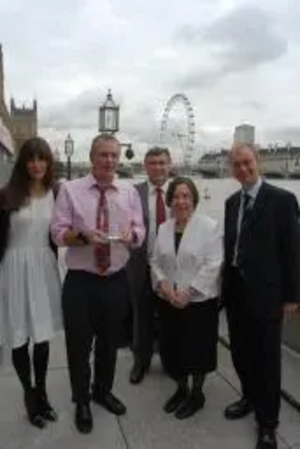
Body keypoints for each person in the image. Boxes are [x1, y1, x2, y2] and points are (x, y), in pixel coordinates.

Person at [51, 134, 145, 434]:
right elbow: (57, 232)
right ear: (92, 157)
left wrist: (134, 237)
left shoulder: (129, 192)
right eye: (103, 155)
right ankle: (81, 400)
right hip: (81, 281)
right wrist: (82, 237)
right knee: (78, 345)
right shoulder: (70, 190)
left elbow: (140, 229)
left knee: (109, 343)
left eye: (114, 156)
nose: (109, 161)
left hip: (116, 279)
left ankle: (102, 391)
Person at [222, 143, 300, 449]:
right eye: (236, 164)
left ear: (259, 162)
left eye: (247, 162)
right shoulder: (231, 203)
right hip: (236, 292)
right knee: (240, 352)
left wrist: (293, 297)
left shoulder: (282, 201)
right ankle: (249, 398)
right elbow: (231, 248)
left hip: (267, 295)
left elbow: (293, 253)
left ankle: (268, 423)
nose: (242, 169)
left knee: (267, 360)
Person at [0, 137, 62, 428]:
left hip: (44, 268)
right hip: (13, 269)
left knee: (42, 335)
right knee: (19, 336)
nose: (37, 164)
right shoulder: (6, 196)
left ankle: (43, 393)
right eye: (31, 159)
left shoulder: (56, 194)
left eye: (42, 159)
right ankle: (29, 395)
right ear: (23, 163)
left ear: (48, 163)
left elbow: (63, 232)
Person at [151, 177, 222, 419]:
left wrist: (188, 292)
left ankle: (197, 395)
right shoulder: (164, 228)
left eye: (186, 196)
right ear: (170, 200)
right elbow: (155, 261)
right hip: (169, 300)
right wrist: (163, 285)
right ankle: (181, 389)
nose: (181, 201)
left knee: (197, 351)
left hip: (198, 303)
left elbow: (213, 264)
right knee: (174, 349)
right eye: (176, 196)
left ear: (194, 199)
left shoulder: (209, 226)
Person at [128, 147, 172, 384]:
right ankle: (141, 361)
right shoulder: (133, 193)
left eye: (162, 162)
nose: (158, 167)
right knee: (141, 316)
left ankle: (170, 359)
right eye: (153, 163)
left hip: (171, 268)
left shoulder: (180, 192)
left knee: (171, 317)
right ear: (145, 167)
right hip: (141, 265)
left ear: (170, 165)